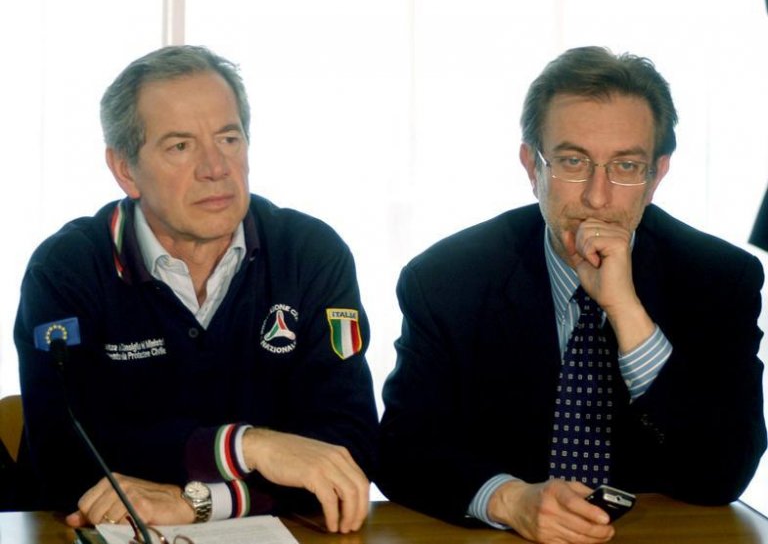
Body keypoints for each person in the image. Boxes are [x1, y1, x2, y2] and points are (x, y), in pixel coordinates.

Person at [378, 46, 766, 544]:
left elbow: (724, 471)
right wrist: (509, 500)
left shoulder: (719, 278)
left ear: (656, 176)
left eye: (626, 166)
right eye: (572, 161)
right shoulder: (447, 279)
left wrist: (626, 312)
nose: (596, 197)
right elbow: (402, 449)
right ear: (531, 166)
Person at [15, 45, 378, 533]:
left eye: (229, 138)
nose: (215, 167)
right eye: (180, 146)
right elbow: (68, 458)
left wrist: (200, 503)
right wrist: (248, 447)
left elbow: (347, 450)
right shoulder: (67, 269)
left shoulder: (310, 253)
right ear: (125, 169)